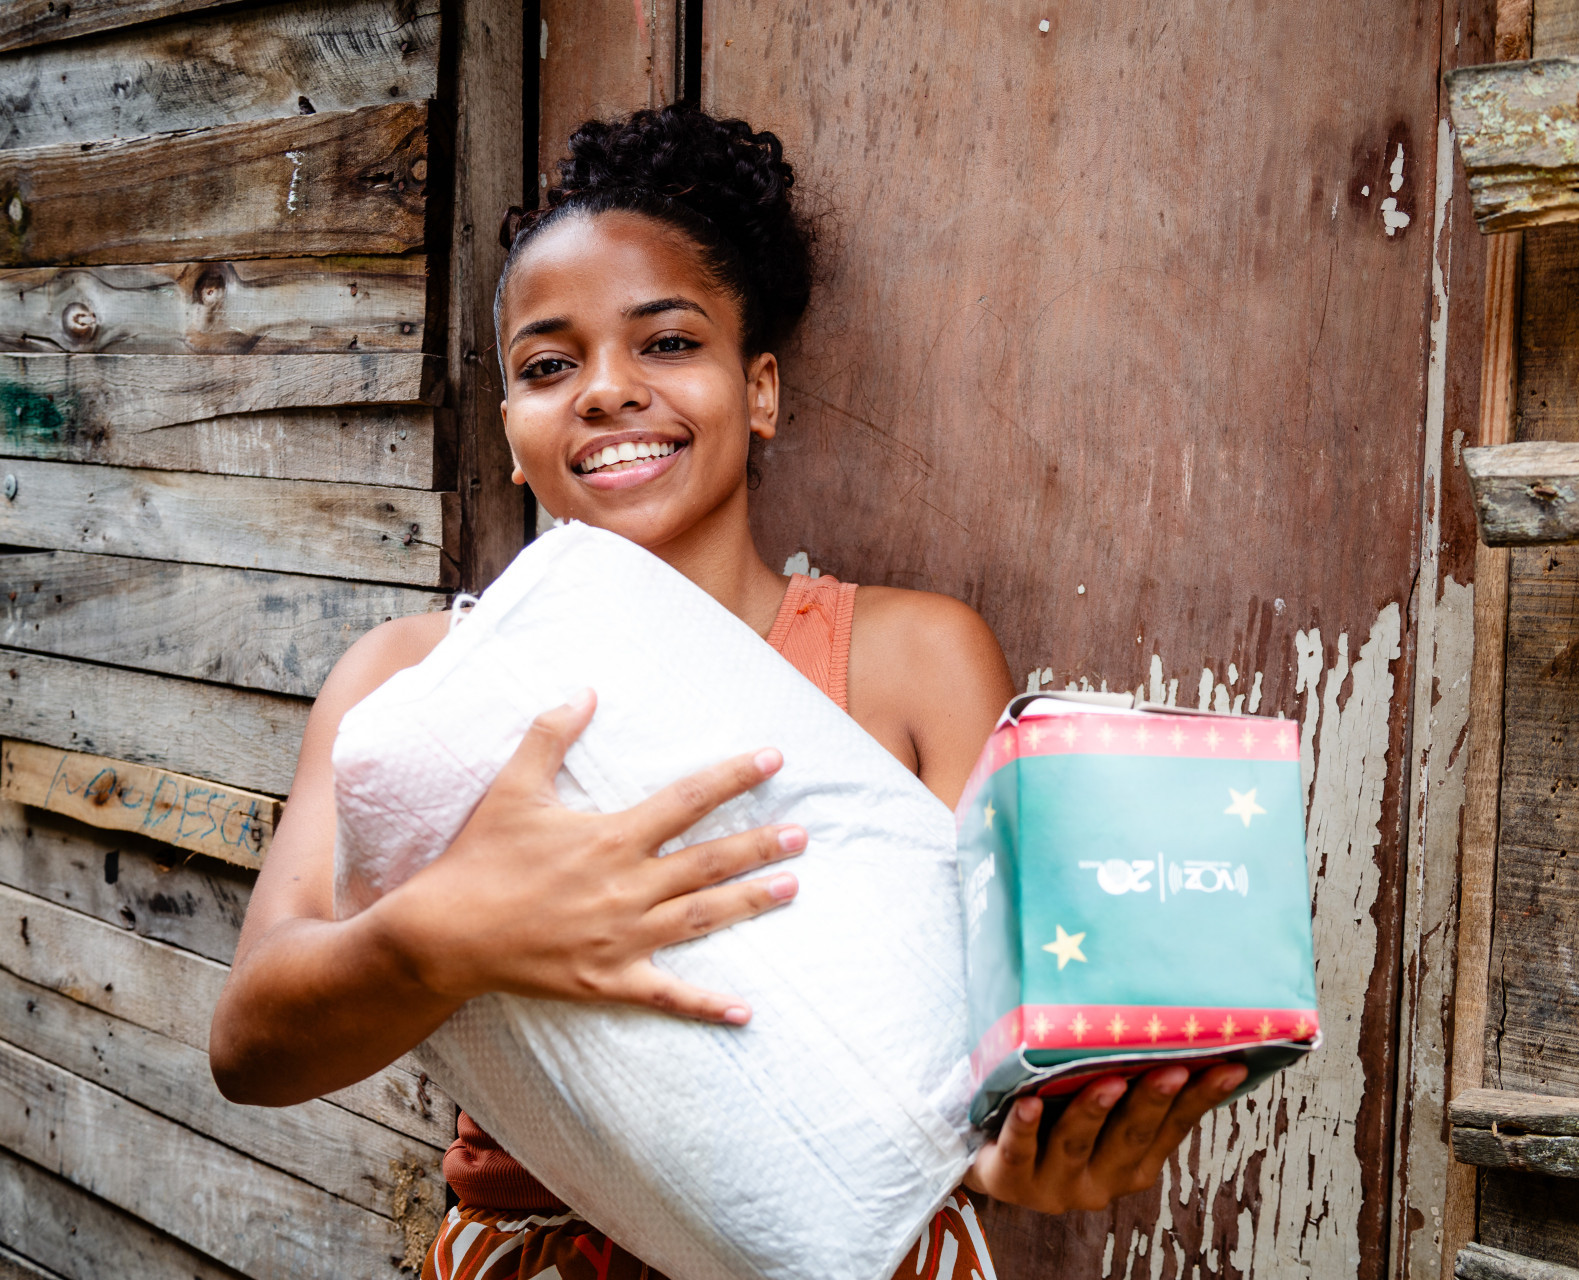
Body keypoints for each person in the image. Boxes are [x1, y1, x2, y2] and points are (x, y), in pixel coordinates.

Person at [209, 104, 1247, 1280]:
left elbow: (1004, 1037)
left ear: (757, 390)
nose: (605, 390)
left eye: (666, 343)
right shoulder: (410, 680)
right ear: (509, 428)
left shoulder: (909, 660)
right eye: (550, 365)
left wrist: (1020, 1149)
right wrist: (444, 930)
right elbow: (251, 1044)